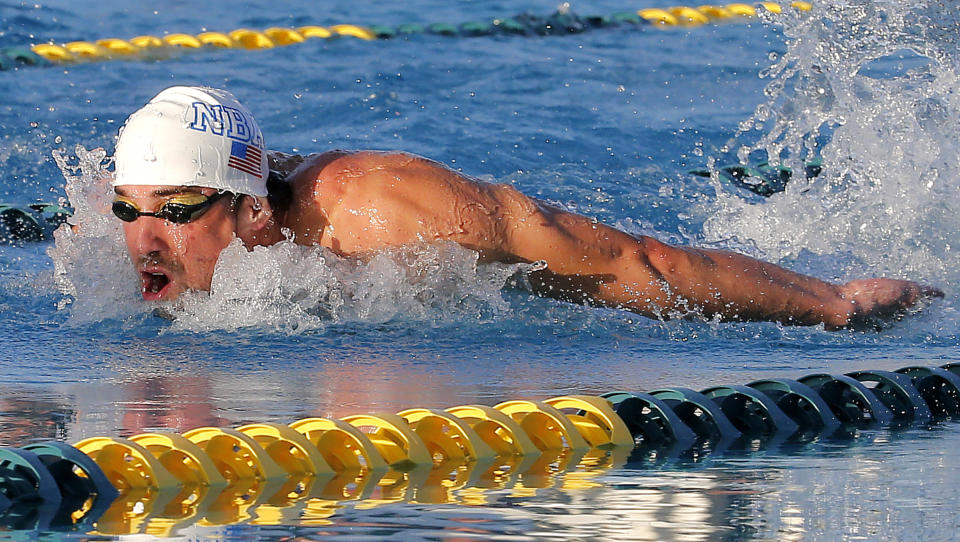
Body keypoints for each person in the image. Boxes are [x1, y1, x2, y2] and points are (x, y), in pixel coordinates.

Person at [110, 86, 941, 329]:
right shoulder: (116, 234)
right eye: (127, 210)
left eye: (175, 209)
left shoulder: (387, 215)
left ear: (253, 212)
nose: (140, 240)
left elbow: (631, 263)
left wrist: (830, 305)